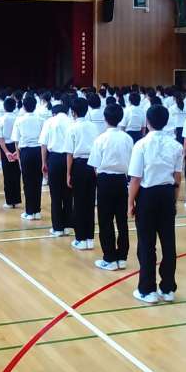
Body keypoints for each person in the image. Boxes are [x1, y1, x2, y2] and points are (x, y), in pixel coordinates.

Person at [128, 105, 182, 303]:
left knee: (146, 243)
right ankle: (168, 288)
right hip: (167, 194)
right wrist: (173, 199)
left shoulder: (141, 145)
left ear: (148, 121)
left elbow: (135, 179)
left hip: (147, 195)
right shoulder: (175, 146)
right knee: (168, 242)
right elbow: (177, 177)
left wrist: (130, 203)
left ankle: (147, 289)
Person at [89, 104, 133, 270]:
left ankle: (109, 258)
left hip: (105, 180)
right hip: (122, 180)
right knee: (122, 220)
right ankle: (122, 257)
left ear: (105, 119)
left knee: (105, 220)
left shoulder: (100, 139)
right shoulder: (127, 138)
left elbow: (95, 165)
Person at [65, 97, 97, 250]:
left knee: (78, 203)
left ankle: (80, 239)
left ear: (73, 112)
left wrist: (68, 173)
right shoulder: (93, 127)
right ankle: (90, 238)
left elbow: (69, 153)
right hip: (92, 165)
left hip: (78, 165)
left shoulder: (72, 128)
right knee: (90, 203)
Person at [40, 102, 72, 237]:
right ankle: (67, 226)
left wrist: (43, 162)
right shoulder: (72, 122)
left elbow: (43, 144)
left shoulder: (50, 122)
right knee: (68, 193)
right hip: (69, 158)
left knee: (56, 194)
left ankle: (57, 228)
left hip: (54, 158)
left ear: (54, 113)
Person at [12, 94, 44, 220]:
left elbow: (16, 141)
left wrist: (19, 157)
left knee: (27, 182)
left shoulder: (19, 120)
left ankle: (30, 212)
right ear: (35, 106)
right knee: (38, 181)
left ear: (24, 107)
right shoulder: (41, 119)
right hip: (38, 151)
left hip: (25, 152)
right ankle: (37, 211)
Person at [0, 97, 22, 209]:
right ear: (14, 107)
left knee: (7, 174)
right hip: (17, 146)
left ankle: (9, 201)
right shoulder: (18, 118)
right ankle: (16, 200)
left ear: (4, 107)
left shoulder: (0, 120)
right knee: (16, 173)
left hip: (5, 146)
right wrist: (16, 151)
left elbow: (0, 138)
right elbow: (21, 136)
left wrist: (6, 152)